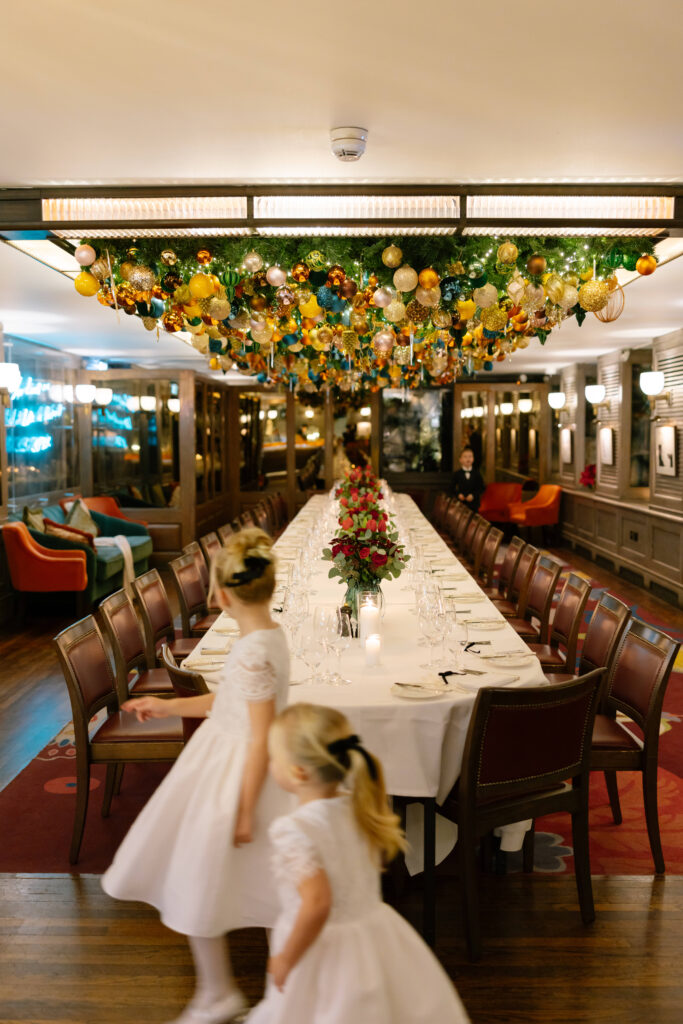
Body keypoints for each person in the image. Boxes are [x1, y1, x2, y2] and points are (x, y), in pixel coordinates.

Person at [102, 528, 291, 1024]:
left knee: (201, 877)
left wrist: (246, 808)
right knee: (261, 888)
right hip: (229, 762)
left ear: (223, 595)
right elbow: (226, 699)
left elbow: (259, 735)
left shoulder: (254, 650)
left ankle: (225, 993)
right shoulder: (267, 635)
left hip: (236, 776)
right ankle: (251, 992)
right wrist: (165, 706)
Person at [247, 704, 471, 1024]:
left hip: (324, 950)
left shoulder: (293, 829)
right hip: (375, 935)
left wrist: (286, 957)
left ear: (298, 772)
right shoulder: (357, 806)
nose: (270, 765)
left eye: (274, 758)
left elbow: (317, 904)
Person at [452, 447, 485, 512]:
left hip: (474, 504)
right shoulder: (457, 474)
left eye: (470, 456)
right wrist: (458, 494)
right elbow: (451, 488)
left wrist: (473, 495)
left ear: (473, 459)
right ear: (460, 460)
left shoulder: (477, 474)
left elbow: (481, 488)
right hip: (461, 504)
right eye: (465, 457)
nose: (468, 459)